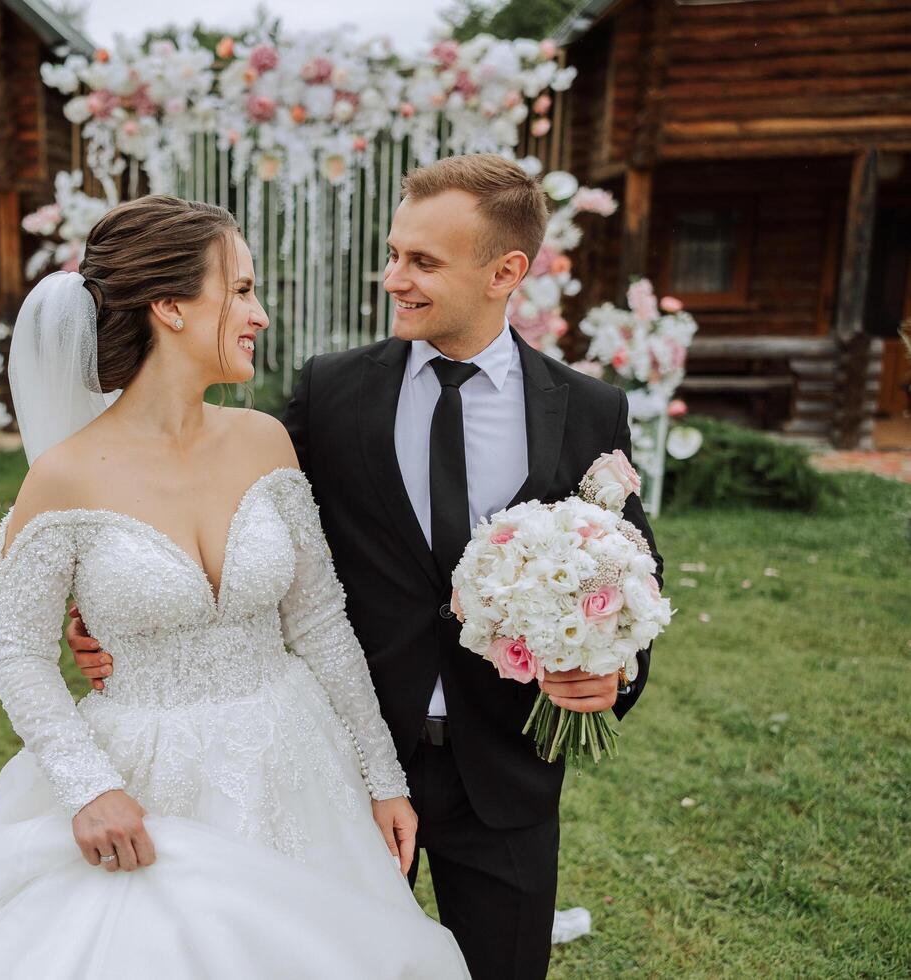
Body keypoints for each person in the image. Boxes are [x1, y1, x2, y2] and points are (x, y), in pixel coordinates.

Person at [0, 195, 469, 979]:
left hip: (297, 760)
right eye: (239, 290)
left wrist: (380, 777)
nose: (260, 313)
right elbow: (19, 652)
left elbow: (320, 622)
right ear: (168, 306)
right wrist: (89, 788)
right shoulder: (62, 478)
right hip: (147, 775)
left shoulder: (265, 441)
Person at [72, 155, 661, 980]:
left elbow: (631, 568)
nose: (395, 279)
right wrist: (102, 611)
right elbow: (213, 508)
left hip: (507, 774)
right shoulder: (335, 392)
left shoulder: (587, 410)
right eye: (393, 254)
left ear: (506, 272)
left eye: (422, 262)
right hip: (343, 761)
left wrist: (615, 672)